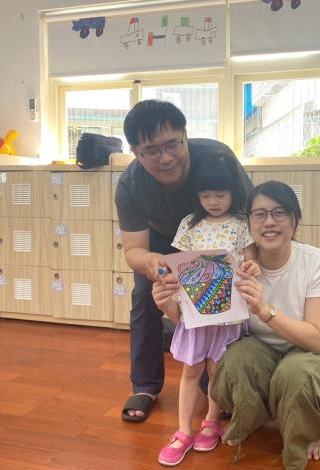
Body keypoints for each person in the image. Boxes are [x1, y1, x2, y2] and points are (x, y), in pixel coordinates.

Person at [115, 99, 252, 423]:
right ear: (135, 152)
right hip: (162, 244)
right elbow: (133, 249)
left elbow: (250, 212)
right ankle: (145, 385)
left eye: (172, 144)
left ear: (185, 136)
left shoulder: (217, 158)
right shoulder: (130, 184)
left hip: (218, 240)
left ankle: (223, 382)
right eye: (151, 150)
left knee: (232, 301)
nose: (165, 158)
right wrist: (152, 263)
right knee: (145, 295)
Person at [210, 180, 320, 470]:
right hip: (263, 350)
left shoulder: (318, 262)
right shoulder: (236, 266)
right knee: (237, 359)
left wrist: (265, 312)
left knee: (296, 373)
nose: (269, 222)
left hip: (313, 353)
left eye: (280, 213)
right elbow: (206, 325)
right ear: (249, 223)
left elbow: (316, 339)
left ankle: (312, 428)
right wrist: (168, 306)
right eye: (260, 214)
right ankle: (252, 418)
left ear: (295, 221)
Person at [151, 156, 260, 466]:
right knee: (190, 370)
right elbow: (178, 263)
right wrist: (165, 277)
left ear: (233, 193)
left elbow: (251, 261)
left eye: (220, 195)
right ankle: (184, 431)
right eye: (205, 195)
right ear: (196, 195)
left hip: (228, 313)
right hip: (195, 311)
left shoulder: (241, 224)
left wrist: (252, 267)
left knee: (217, 370)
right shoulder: (189, 223)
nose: (213, 202)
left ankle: (211, 420)